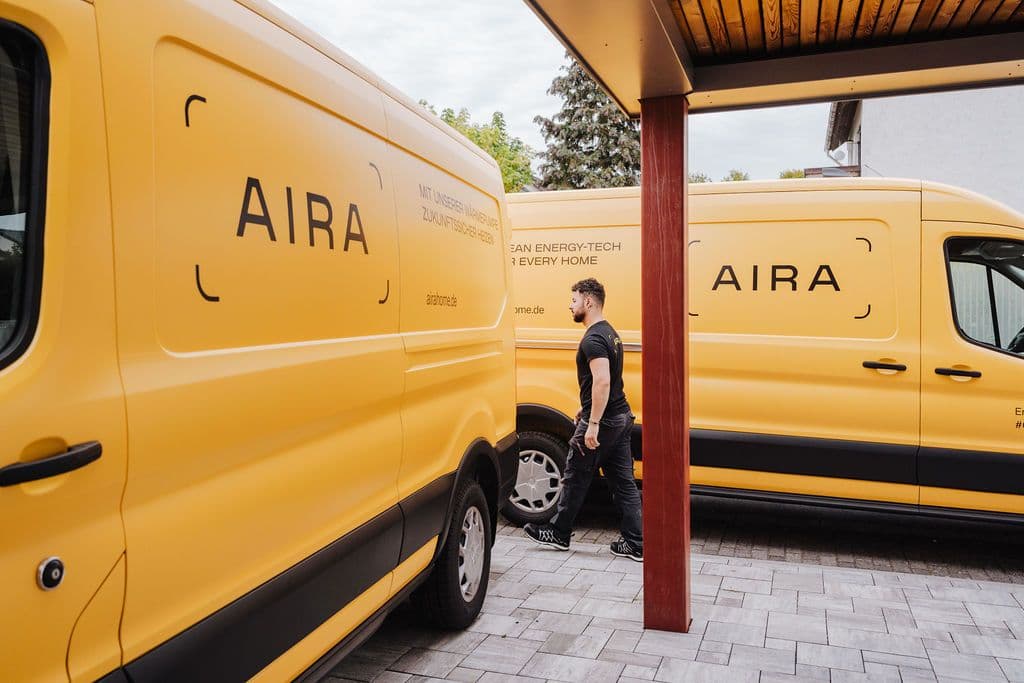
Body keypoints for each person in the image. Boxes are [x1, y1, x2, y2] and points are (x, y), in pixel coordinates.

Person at [523, 278, 643, 561]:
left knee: (575, 474)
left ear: (588, 302)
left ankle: (559, 532)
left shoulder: (593, 338)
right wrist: (586, 407)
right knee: (623, 482)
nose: (570, 305)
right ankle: (636, 542)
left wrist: (593, 423)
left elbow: (602, 381)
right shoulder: (610, 333)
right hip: (621, 415)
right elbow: (607, 383)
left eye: (574, 300)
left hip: (606, 421)